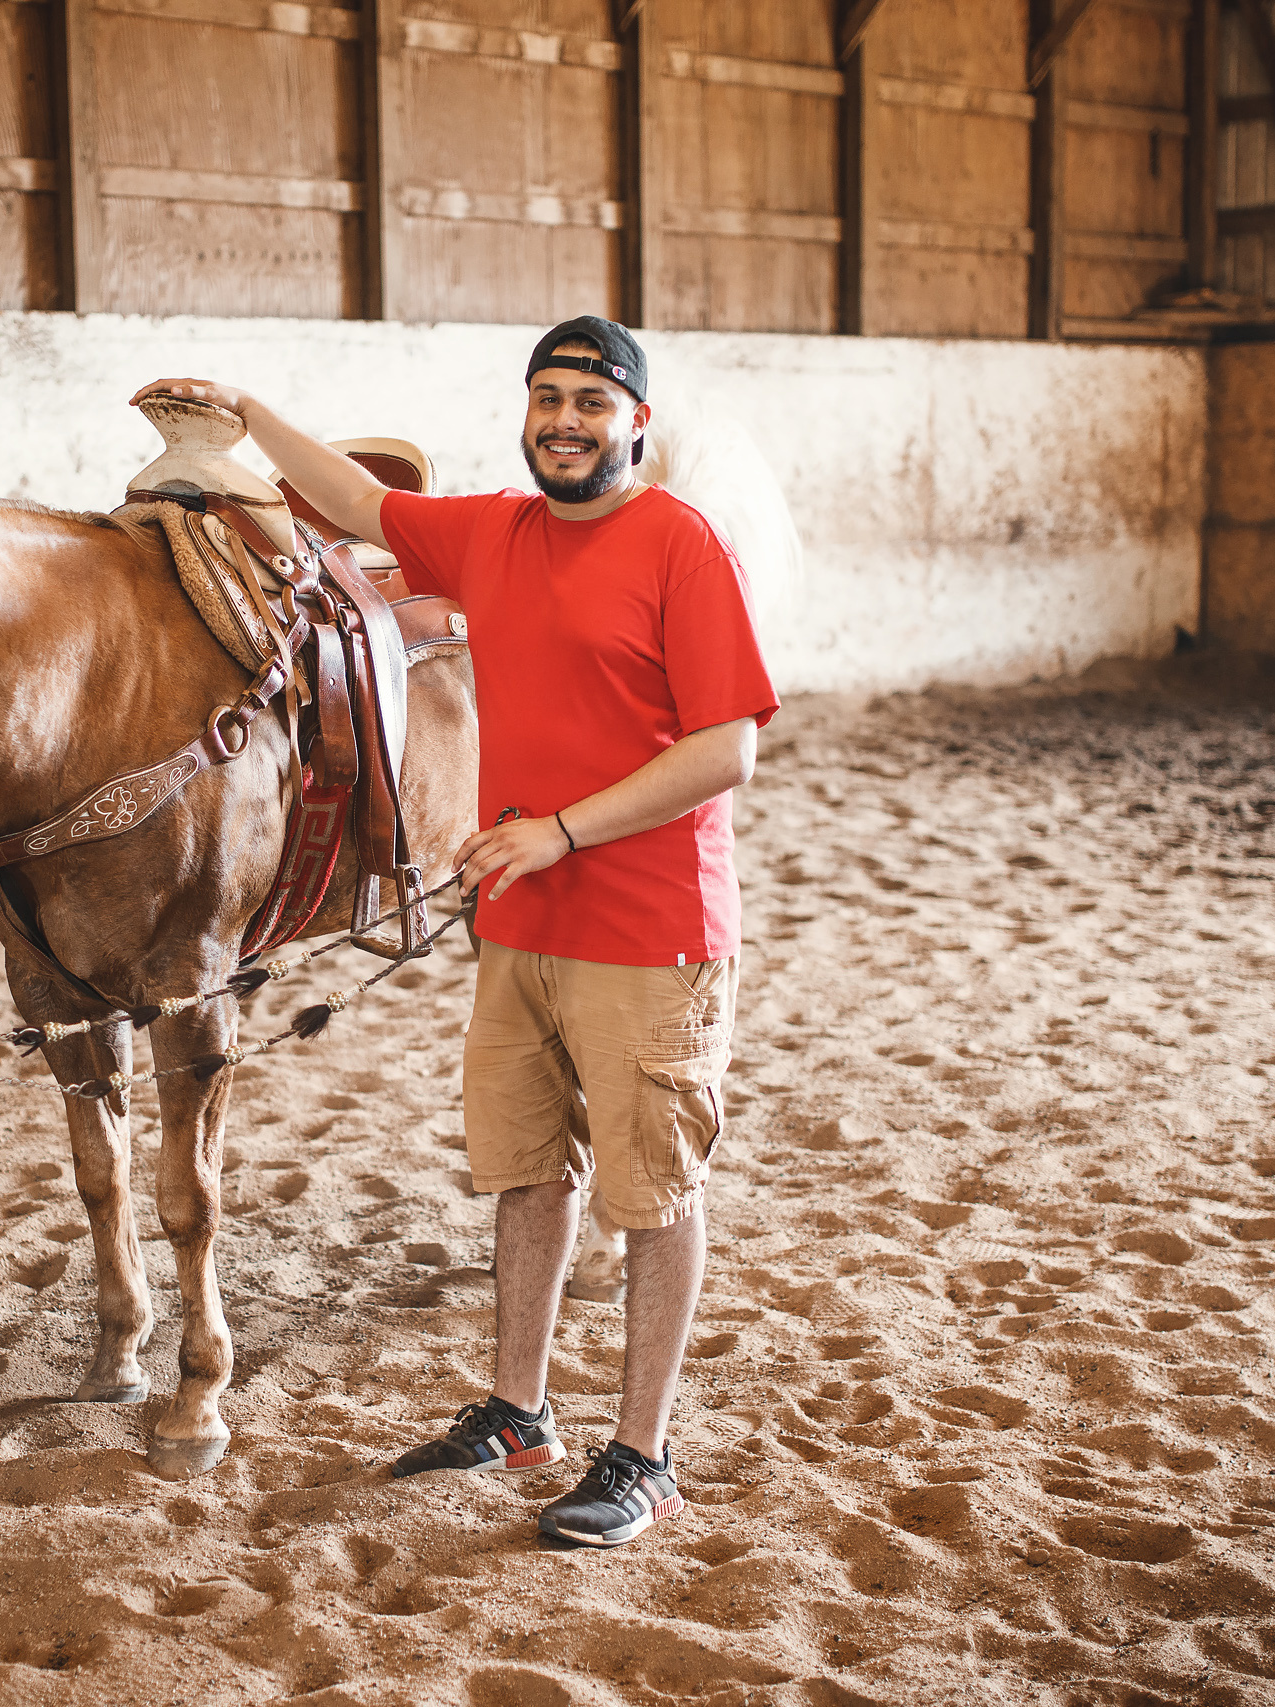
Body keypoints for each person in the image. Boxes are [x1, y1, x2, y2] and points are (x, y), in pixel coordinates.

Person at [133, 315, 777, 1547]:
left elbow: (727, 747)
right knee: (527, 1173)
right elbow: (358, 505)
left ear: (634, 420)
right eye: (547, 399)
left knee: (651, 1194)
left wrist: (564, 832)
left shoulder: (677, 545)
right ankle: (516, 1411)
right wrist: (245, 406)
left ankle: (643, 1455)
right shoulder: (497, 532)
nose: (565, 422)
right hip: (520, 918)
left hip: (650, 926)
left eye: (591, 403)